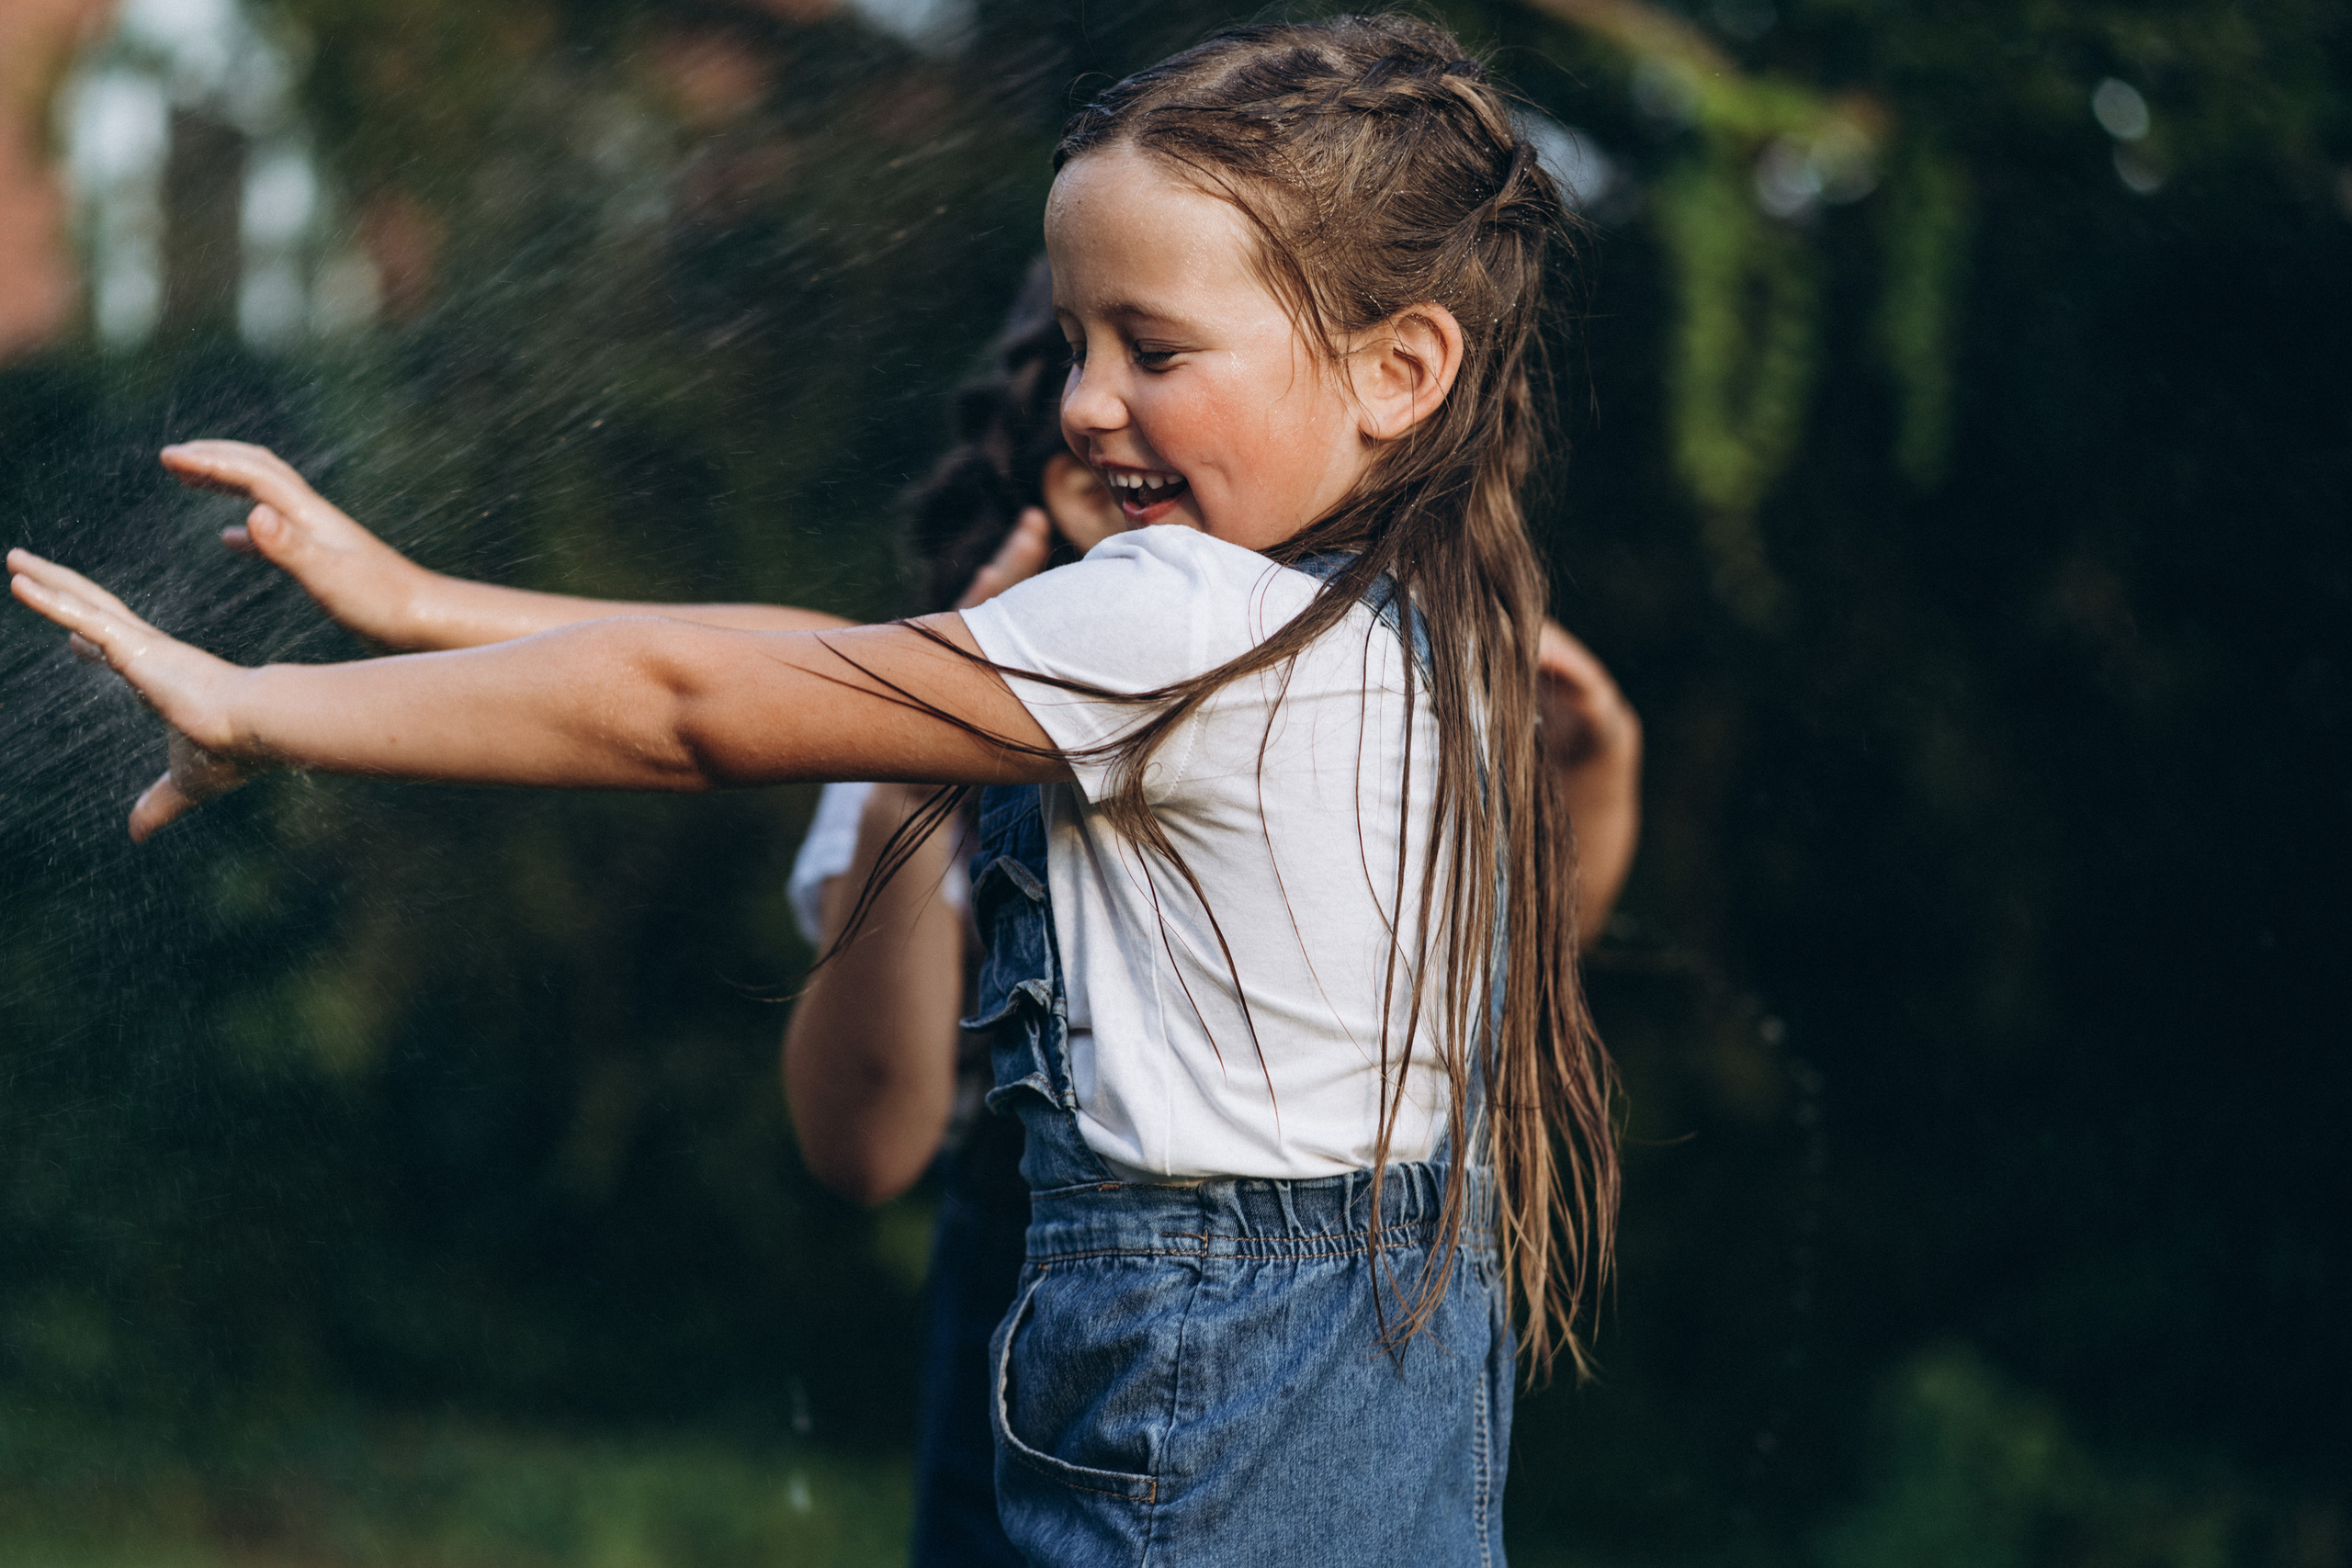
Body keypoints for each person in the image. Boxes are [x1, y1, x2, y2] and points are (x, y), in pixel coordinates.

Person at [13, 15, 1624, 1560]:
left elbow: (695, 709)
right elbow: (810, 659)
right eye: (1075, 344)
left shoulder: (1188, 618)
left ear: (1399, 368)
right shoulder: (1427, 632)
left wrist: (266, 700)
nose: (1081, 401)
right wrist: (423, 604)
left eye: (1155, 347)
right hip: (1396, 1382)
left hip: (1209, 1379)